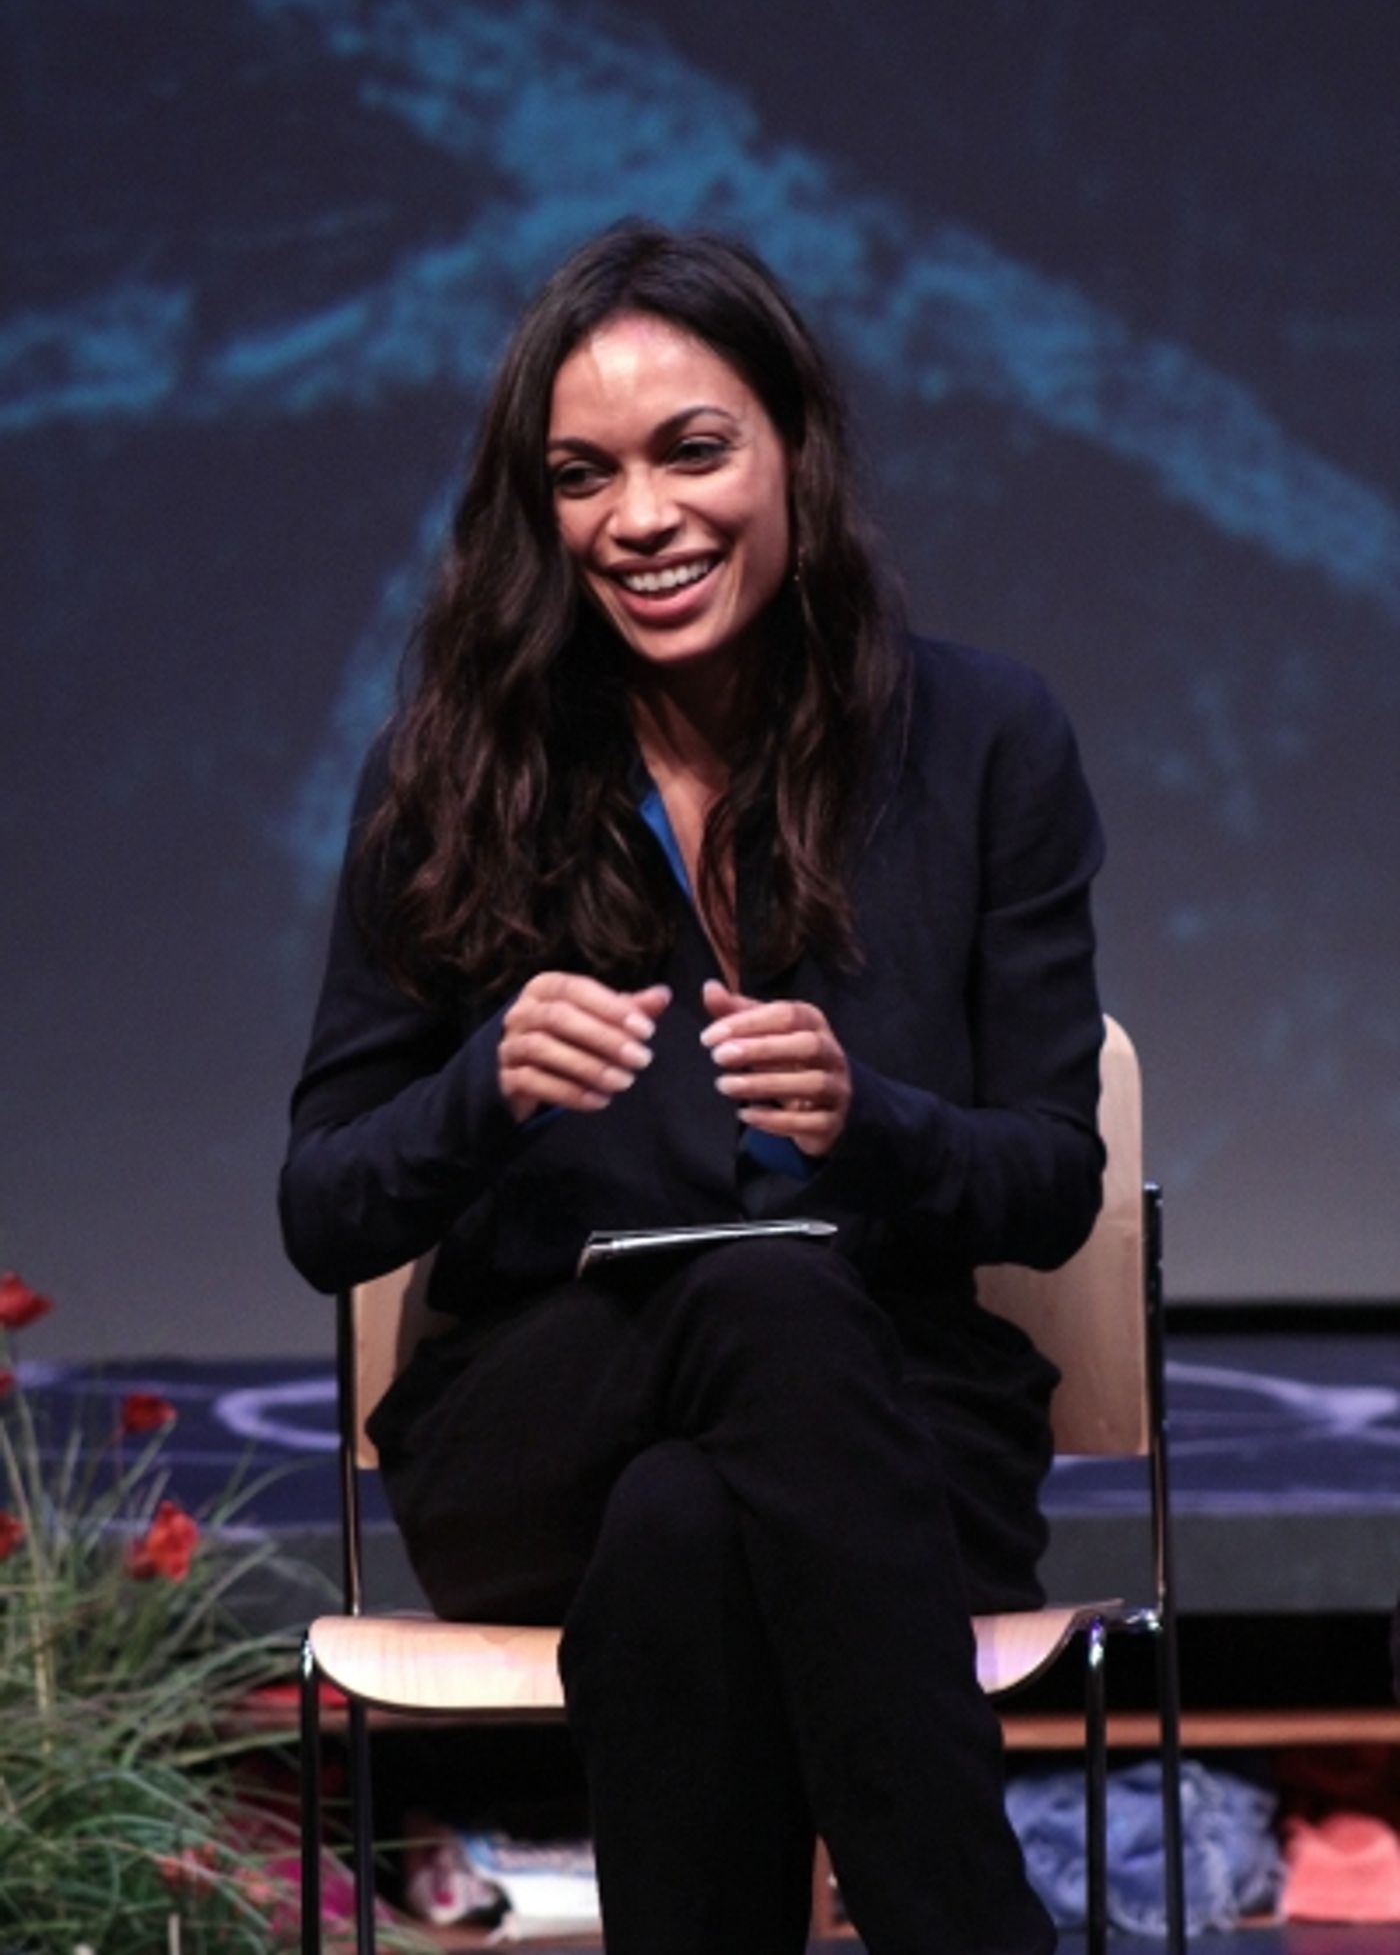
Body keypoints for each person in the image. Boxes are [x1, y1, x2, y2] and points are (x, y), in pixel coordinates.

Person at [279, 221, 1105, 1955]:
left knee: (689, 1518)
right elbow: (324, 1204)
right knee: (748, 1308)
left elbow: (1048, 1181)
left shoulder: (983, 740)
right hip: (532, 1428)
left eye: (693, 451)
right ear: (541, 512)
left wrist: (867, 1123)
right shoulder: (449, 776)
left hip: (893, 1430)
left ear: (796, 444)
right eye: (583, 477)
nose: (639, 518)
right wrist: (481, 1089)